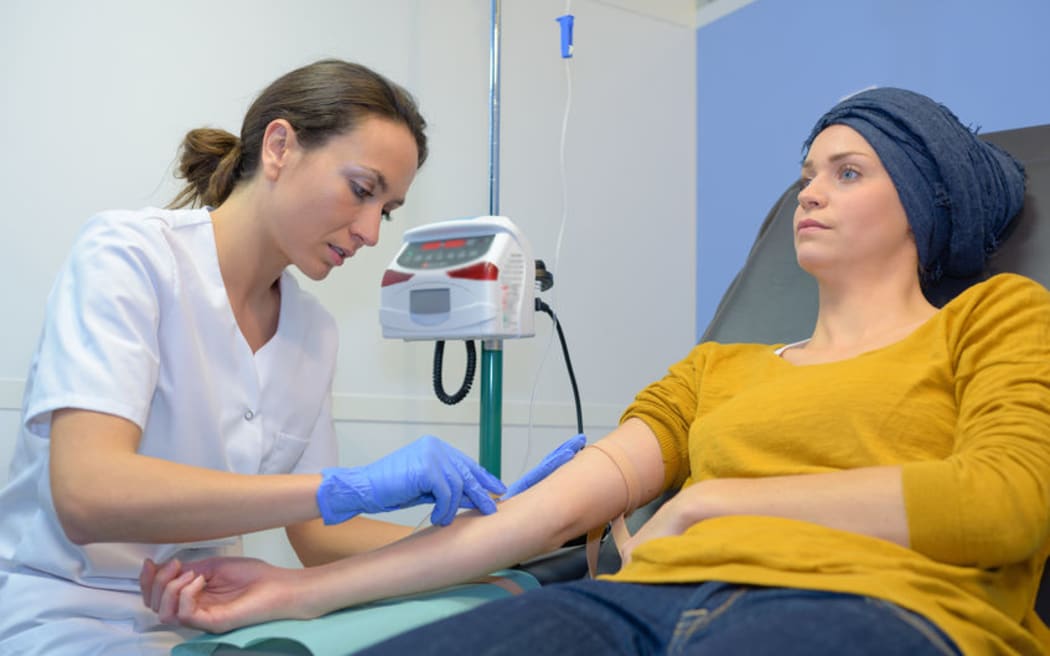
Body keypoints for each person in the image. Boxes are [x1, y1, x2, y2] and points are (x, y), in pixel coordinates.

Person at [141, 87, 1050, 655]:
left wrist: (715, 501)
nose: (808, 189)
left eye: (848, 172)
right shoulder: (714, 371)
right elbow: (535, 519)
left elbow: (1000, 503)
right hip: (642, 605)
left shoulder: (996, 320)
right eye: (808, 170)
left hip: (874, 611)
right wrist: (296, 592)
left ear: (928, 204)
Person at [0, 58, 580, 656]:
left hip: (213, 616)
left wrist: (504, 535)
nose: (371, 232)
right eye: (362, 190)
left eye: (387, 210)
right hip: (66, 617)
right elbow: (89, 493)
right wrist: (342, 486)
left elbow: (324, 539)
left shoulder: (312, 330)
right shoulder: (130, 259)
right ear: (279, 147)